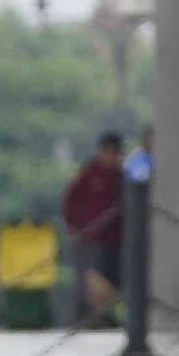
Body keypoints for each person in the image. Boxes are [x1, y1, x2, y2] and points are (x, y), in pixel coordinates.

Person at [63, 132, 127, 325]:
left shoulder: (122, 177)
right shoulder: (88, 173)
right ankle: (85, 322)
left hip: (116, 240)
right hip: (91, 240)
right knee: (88, 283)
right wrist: (74, 227)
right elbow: (70, 201)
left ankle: (107, 321)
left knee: (112, 282)